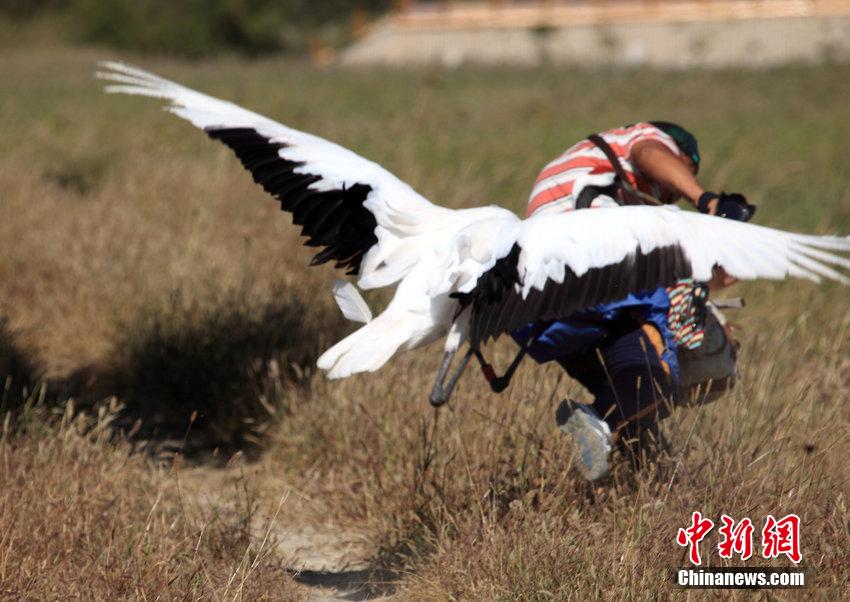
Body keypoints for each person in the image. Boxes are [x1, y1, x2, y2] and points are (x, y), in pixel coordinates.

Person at [514, 121, 754, 480]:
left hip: (535, 308)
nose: (668, 196)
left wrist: (712, 272)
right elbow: (649, 153)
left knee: (627, 391)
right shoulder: (636, 143)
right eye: (684, 172)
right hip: (597, 277)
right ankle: (604, 424)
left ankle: (629, 456)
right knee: (657, 378)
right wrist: (707, 200)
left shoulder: (584, 177)